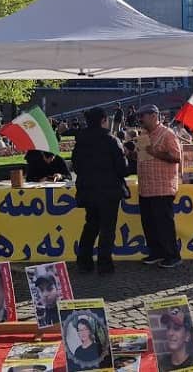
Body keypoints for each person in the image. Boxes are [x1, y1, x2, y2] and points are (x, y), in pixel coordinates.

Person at [72, 107, 130, 274]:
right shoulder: (111, 141)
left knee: (91, 226)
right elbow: (122, 169)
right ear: (104, 120)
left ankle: (84, 262)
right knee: (107, 229)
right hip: (109, 192)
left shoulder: (80, 141)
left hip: (88, 191)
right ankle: (104, 264)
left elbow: (76, 166)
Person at [136, 104, 182, 268]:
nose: (140, 119)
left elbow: (177, 157)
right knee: (149, 224)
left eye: (143, 116)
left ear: (154, 116)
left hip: (162, 188)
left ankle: (172, 255)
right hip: (146, 188)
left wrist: (155, 153)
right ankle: (156, 252)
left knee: (164, 224)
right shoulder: (144, 135)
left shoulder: (167, 134)